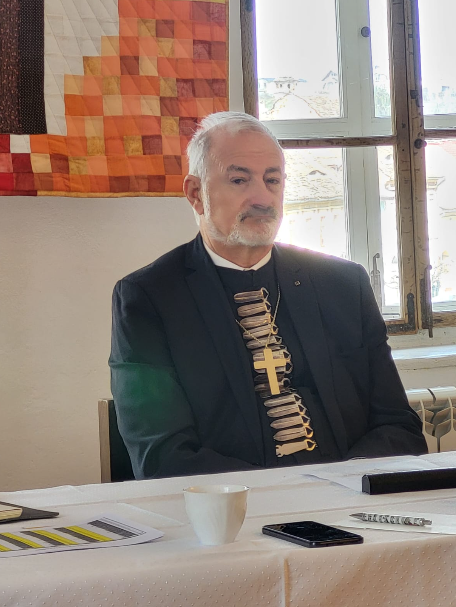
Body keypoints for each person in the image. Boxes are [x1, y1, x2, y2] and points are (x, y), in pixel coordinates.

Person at [109, 111, 427, 479]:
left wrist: (344, 484)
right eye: (239, 180)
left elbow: (399, 426)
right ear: (196, 194)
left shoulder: (344, 285)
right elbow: (162, 456)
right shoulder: (149, 298)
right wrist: (275, 495)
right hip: (234, 509)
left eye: (272, 180)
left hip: (352, 497)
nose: (262, 197)